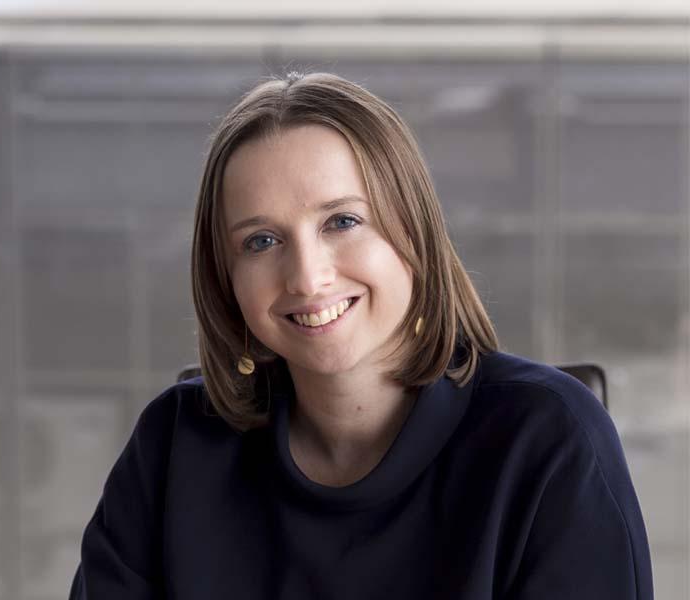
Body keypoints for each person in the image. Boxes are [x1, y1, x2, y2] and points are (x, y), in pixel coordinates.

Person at [69, 71, 653, 599]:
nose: (307, 277)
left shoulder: (548, 438)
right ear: (225, 278)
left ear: (413, 232)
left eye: (342, 221)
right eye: (261, 241)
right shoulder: (174, 446)